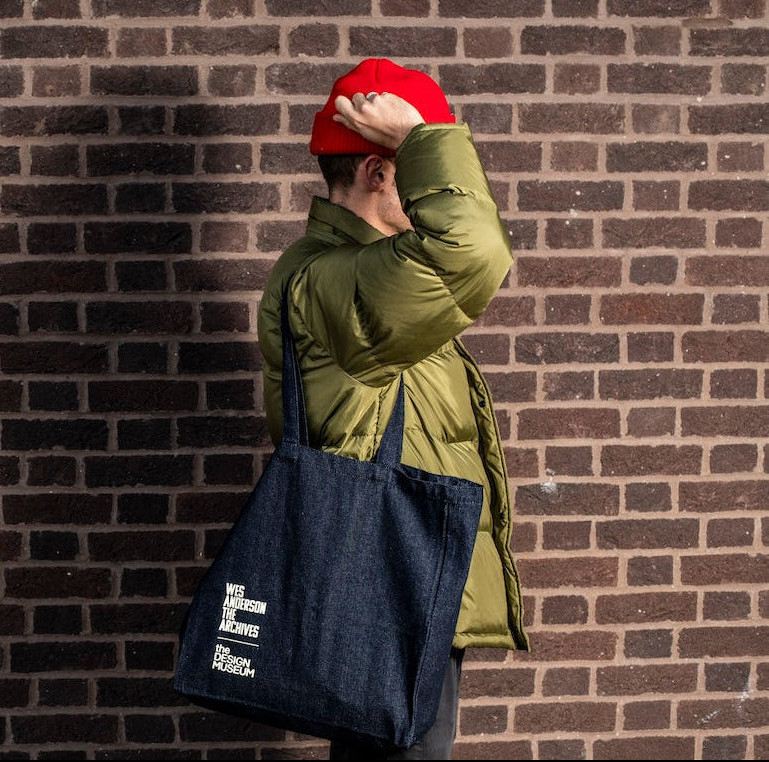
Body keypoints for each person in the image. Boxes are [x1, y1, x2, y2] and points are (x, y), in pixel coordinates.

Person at [257, 59, 530, 759]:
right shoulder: (336, 280)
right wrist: (419, 138)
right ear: (380, 172)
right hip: (391, 588)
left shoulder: (357, 274)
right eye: (415, 169)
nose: (429, 195)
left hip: (400, 584)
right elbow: (473, 251)